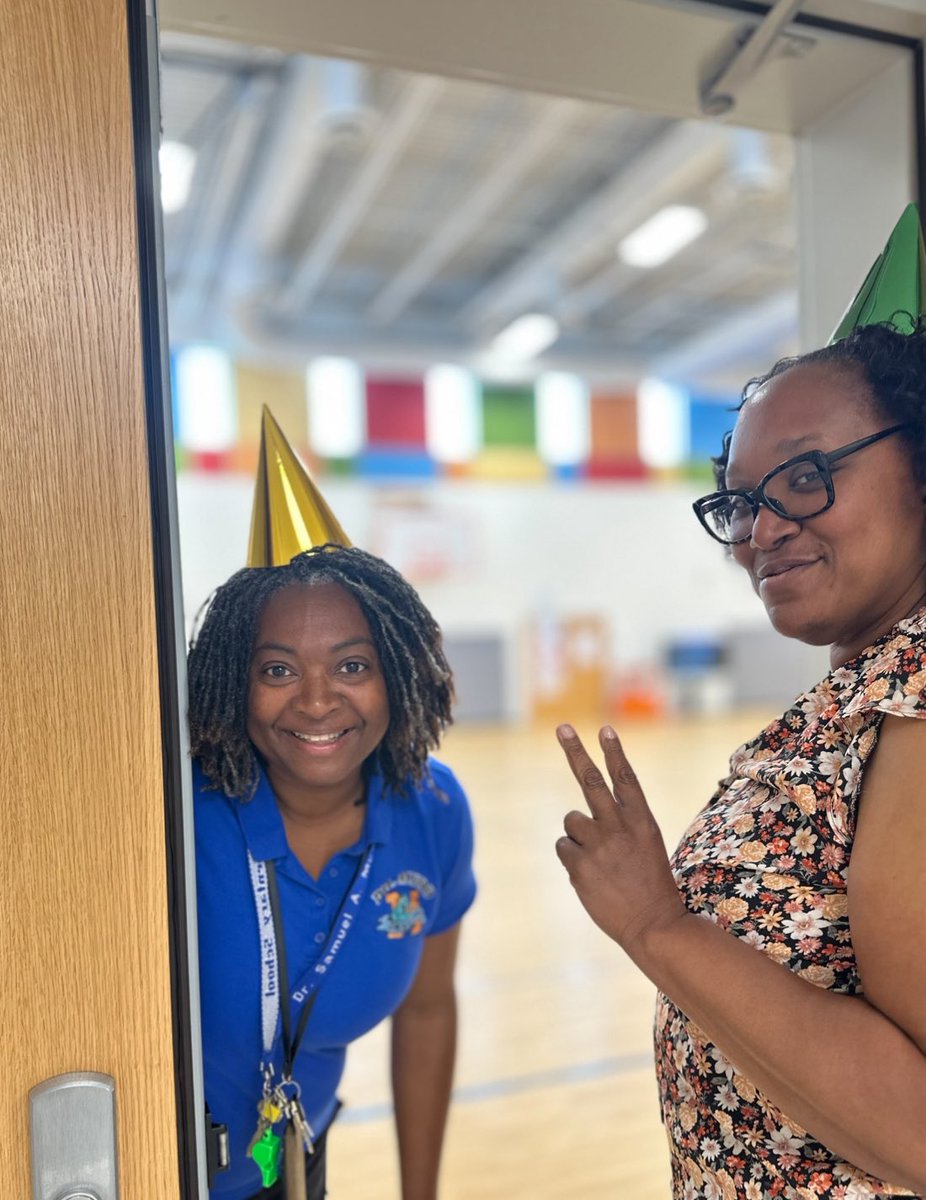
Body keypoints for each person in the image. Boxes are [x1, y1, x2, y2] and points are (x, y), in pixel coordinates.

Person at [556, 313, 926, 1198]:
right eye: (742, 500)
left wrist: (658, 926)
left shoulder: (918, 694)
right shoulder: (871, 690)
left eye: (805, 478)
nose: (761, 531)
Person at [189, 543, 476, 1200]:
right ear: (236, 680)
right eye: (278, 670)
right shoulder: (185, 811)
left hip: (291, 1168)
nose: (317, 703)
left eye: (351, 665)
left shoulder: (433, 810)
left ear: (397, 674)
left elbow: (427, 1011)